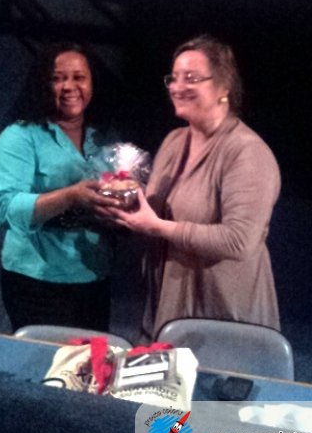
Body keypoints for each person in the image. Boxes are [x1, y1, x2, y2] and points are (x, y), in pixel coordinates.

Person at [108, 35, 281, 341]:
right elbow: (154, 214)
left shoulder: (247, 152)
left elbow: (239, 241)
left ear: (224, 87)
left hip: (221, 314)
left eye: (191, 78)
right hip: (166, 304)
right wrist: (122, 199)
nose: (177, 87)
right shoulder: (174, 141)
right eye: (173, 78)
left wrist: (158, 227)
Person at [0, 42, 120, 332]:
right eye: (58, 78)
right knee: (44, 360)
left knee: (90, 359)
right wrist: (71, 196)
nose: (69, 86)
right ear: (43, 84)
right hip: (36, 281)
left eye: (79, 77)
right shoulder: (20, 136)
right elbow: (6, 209)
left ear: (93, 83)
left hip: (93, 276)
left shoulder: (103, 138)